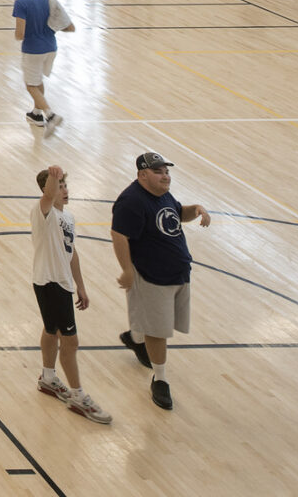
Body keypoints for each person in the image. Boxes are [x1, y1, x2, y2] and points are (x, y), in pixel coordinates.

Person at [111, 151, 210, 411]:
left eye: (166, 171)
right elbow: (119, 235)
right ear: (142, 175)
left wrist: (196, 209)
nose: (165, 176)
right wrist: (127, 271)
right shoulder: (131, 201)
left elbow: (177, 214)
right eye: (158, 172)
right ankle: (161, 379)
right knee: (158, 331)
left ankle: (135, 337)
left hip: (178, 272)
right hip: (151, 275)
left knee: (161, 324)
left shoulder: (162, 193)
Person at [30, 164, 112, 423]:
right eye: (59, 186)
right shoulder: (43, 212)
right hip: (50, 282)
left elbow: (71, 252)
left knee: (52, 330)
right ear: (48, 189)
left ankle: (48, 378)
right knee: (70, 341)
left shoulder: (68, 218)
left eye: (65, 185)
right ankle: (78, 396)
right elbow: (47, 196)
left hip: (61, 282)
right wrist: (53, 177)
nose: (63, 190)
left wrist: (81, 285)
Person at [13, 0, 73, 135]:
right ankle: (36, 114)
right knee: (38, 81)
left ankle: (50, 115)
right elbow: (67, 25)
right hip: (51, 48)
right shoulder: (49, 0)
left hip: (33, 50)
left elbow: (20, 33)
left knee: (31, 85)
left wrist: (17, 36)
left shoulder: (21, 3)